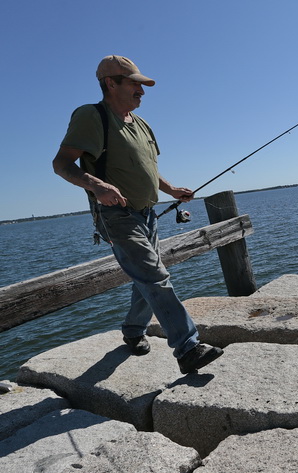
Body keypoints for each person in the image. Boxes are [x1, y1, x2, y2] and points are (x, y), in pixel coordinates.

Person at [52, 55, 224, 374]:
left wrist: (171, 190)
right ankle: (187, 347)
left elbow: (148, 168)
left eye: (142, 85)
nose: (142, 91)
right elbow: (61, 164)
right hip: (116, 215)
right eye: (134, 84)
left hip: (149, 213)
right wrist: (96, 184)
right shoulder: (92, 116)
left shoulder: (142, 123)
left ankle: (133, 331)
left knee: (145, 275)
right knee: (154, 275)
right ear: (110, 83)